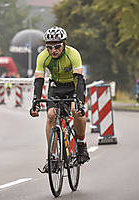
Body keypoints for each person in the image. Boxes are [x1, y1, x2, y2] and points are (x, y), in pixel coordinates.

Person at [30, 26, 90, 172]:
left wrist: (80, 102)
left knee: (77, 111)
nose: (53, 51)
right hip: (56, 86)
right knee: (51, 115)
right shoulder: (43, 56)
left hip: (73, 86)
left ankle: (81, 144)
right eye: (49, 47)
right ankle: (53, 158)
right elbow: (38, 80)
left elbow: (79, 80)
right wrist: (36, 102)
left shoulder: (73, 54)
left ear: (64, 44)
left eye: (57, 47)